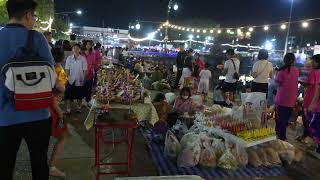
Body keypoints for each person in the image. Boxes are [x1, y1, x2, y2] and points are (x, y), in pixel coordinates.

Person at [0, 1, 54, 179]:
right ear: (28, 15)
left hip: (5, 116)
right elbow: (51, 75)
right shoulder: (36, 38)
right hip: (37, 114)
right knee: (39, 163)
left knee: (5, 166)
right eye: (34, 16)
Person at [49, 48, 69, 177]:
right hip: (52, 107)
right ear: (62, 58)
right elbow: (59, 89)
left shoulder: (48, 67)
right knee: (63, 136)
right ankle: (51, 167)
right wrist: (60, 113)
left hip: (46, 106)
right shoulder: (56, 70)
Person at [275, 53, 299, 141]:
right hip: (291, 98)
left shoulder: (281, 71)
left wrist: (276, 74)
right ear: (293, 61)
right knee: (284, 119)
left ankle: (281, 137)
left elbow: (277, 83)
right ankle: (280, 135)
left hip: (282, 98)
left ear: (284, 60)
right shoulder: (296, 70)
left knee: (280, 119)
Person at [64, 44, 87, 113]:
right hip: (70, 79)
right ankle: (68, 108)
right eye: (74, 48)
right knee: (68, 96)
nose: (75, 50)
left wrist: (83, 79)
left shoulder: (83, 58)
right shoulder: (69, 58)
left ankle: (78, 107)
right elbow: (67, 69)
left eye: (77, 48)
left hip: (80, 79)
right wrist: (66, 79)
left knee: (79, 96)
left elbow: (85, 70)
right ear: (72, 49)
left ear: (79, 50)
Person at [82, 40, 97, 106]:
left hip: (90, 73)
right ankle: (83, 100)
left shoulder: (93, 53)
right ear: (84, 45)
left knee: (89, 87)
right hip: (82, 73)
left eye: (89, 44)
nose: (88, 46)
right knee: (83, 87)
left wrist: (91, 69)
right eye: (87, 44)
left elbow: (93, 63)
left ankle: (88, 100)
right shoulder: (81, 53)